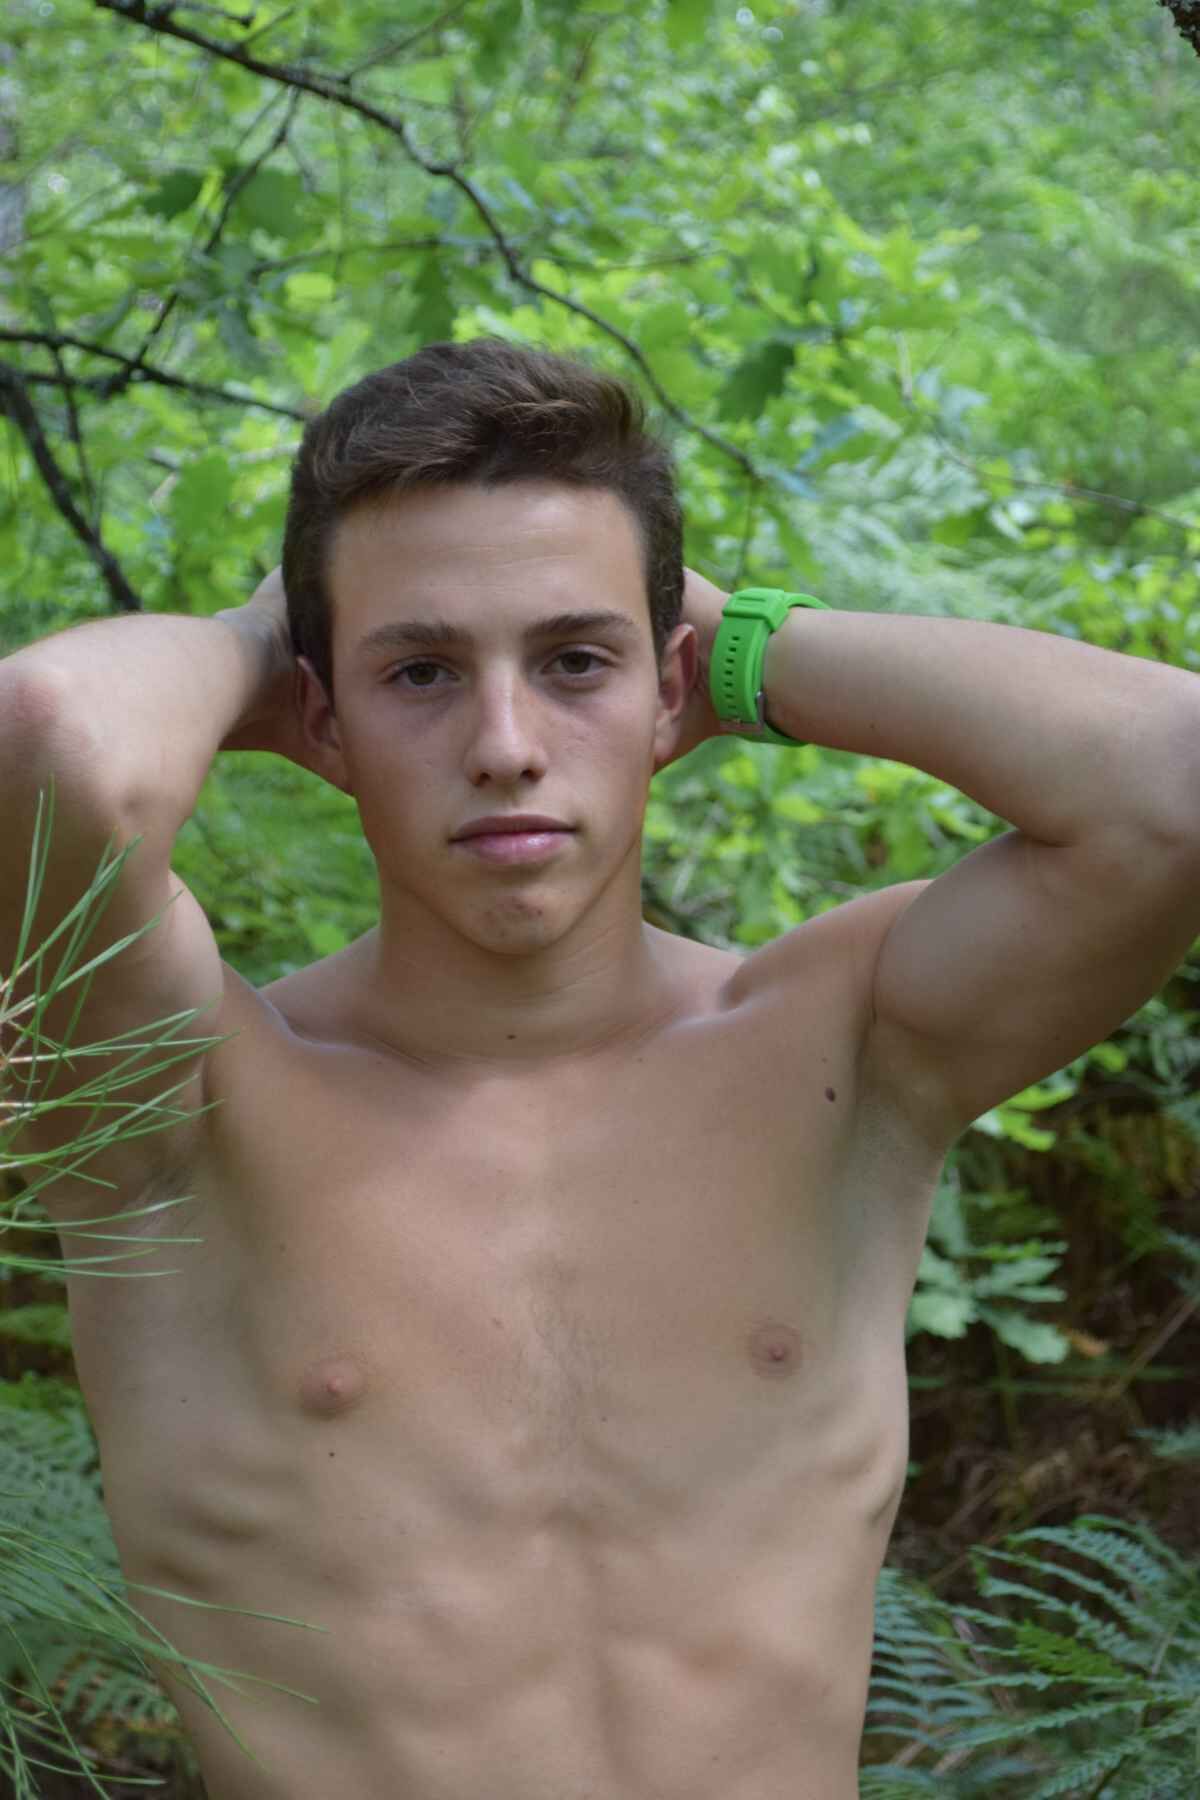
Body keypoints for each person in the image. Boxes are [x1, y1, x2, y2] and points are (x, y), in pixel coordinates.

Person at [3, 338, 1200, 1800]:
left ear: (668, 690)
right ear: (321, 719)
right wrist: (270, 636)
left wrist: (736, 651)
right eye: (421, 672)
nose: (506, 745)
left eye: (576, 661)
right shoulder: (177, 1109)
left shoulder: (845, 1051)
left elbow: (1173, 781)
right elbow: (45, 739)